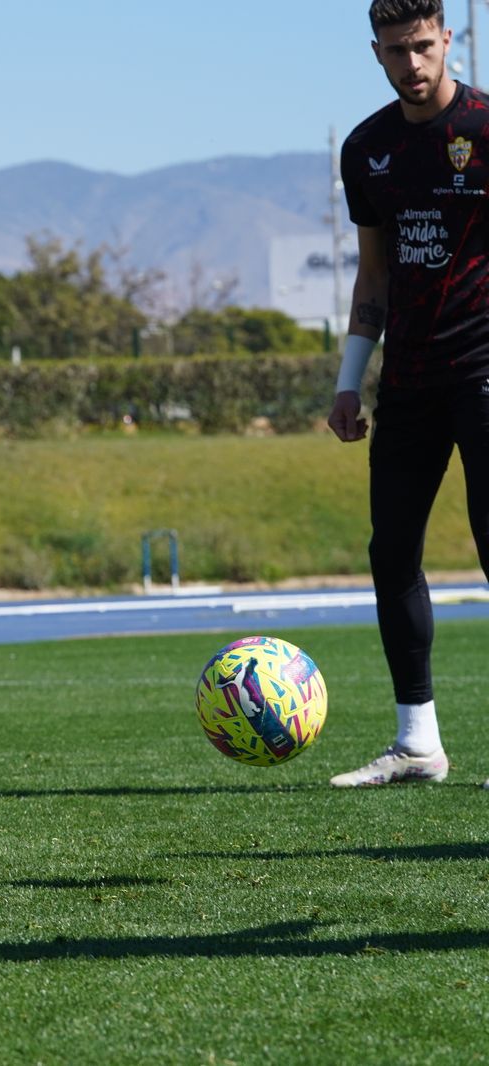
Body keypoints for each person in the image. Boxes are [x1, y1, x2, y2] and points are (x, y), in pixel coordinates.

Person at [328, 0, 489, 788]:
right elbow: (374, 273)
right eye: (396, 51)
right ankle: (417, 742)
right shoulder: (367, 149)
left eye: (423, 46)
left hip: (486, 374)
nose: (412, 64)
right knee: (391, 553)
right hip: (410, 382)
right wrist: (348, 381)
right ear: (377, 54)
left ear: (447, 39)